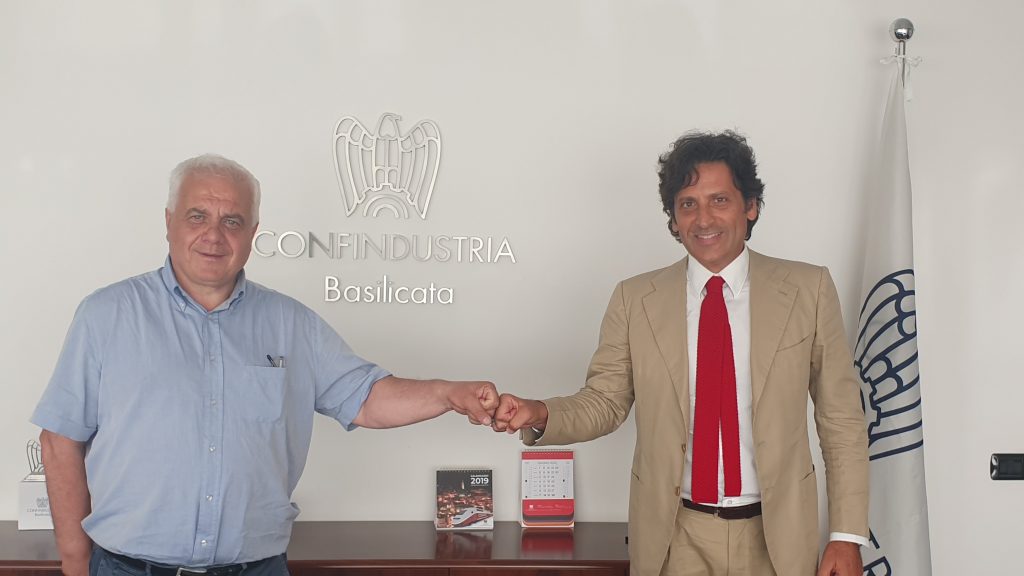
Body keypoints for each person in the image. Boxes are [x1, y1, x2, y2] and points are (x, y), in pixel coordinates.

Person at [32, 154, 499, 576]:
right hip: (127, 568)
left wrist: (448, 394)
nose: (214, 234)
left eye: (232, 221)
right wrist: (74, 561)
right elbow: (60, 440)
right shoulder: (106, 315)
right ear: (169, 221)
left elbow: (367, 398)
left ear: (253, 234)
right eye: (197, 216)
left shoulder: (292, 324)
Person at [492, 131, 869, 576]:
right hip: (675, 538)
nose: (703, 218)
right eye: (688, 204)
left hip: (778, 537)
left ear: (750, 206)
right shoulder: (635, 299)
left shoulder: (809, 290)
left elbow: (840, 418)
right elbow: (605, 403)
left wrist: (846, 535)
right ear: (673, 218)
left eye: (719, 200)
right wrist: (539, 413)